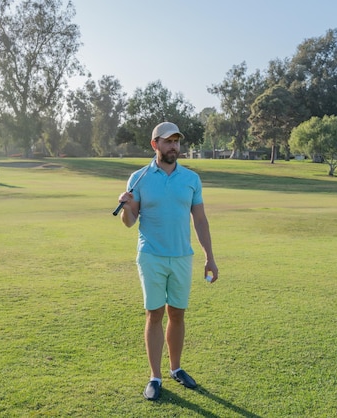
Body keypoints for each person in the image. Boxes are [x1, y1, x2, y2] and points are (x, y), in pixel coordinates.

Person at [117, 121, 219, 401]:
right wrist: (126, 206)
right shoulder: (139, 178)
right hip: (151, 255)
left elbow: (199, 219)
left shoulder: (191, 179)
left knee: (177, 313)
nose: (173, 146)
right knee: (155, 314)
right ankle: (155, 376)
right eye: (167, 141)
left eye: (176, 141)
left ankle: (176, 368)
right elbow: (129, 222)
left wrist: (210, 257)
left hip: (182, 257)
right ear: (155, 145)